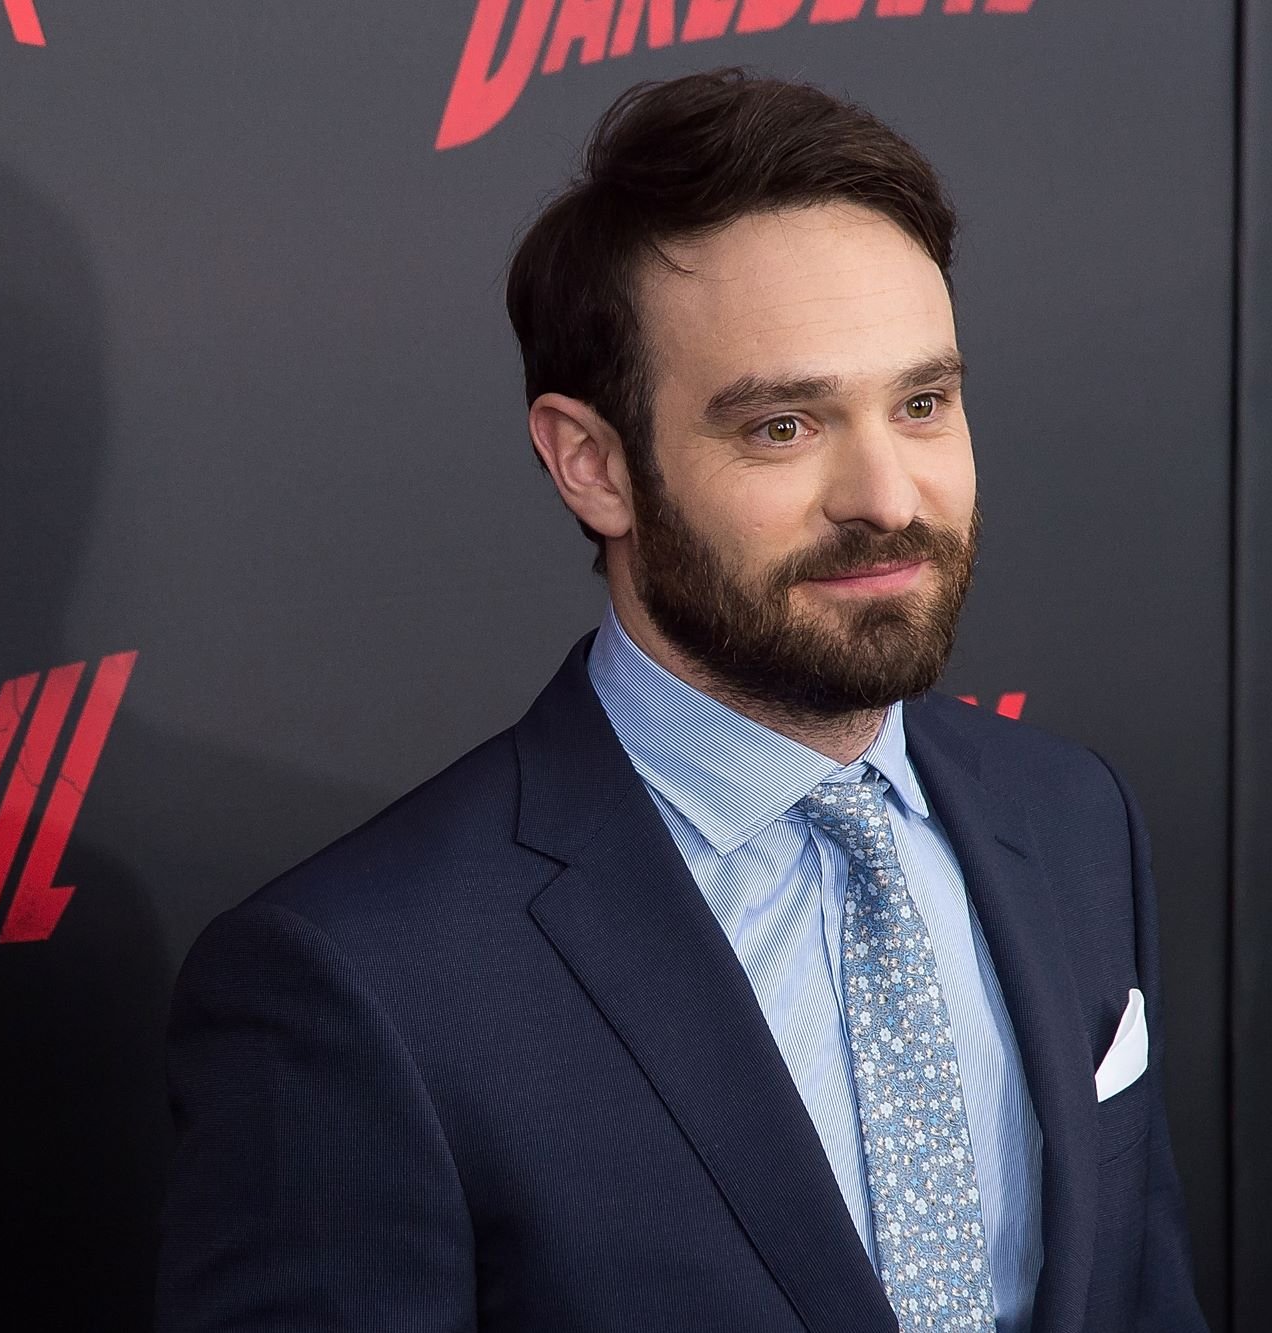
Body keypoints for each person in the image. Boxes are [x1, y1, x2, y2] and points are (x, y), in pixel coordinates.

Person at [153, 69, 1207, 1332]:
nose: (885, 493)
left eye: (921, 403)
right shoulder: (360, 986)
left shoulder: (1074, 820)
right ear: (591, 463)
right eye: (781, 426)